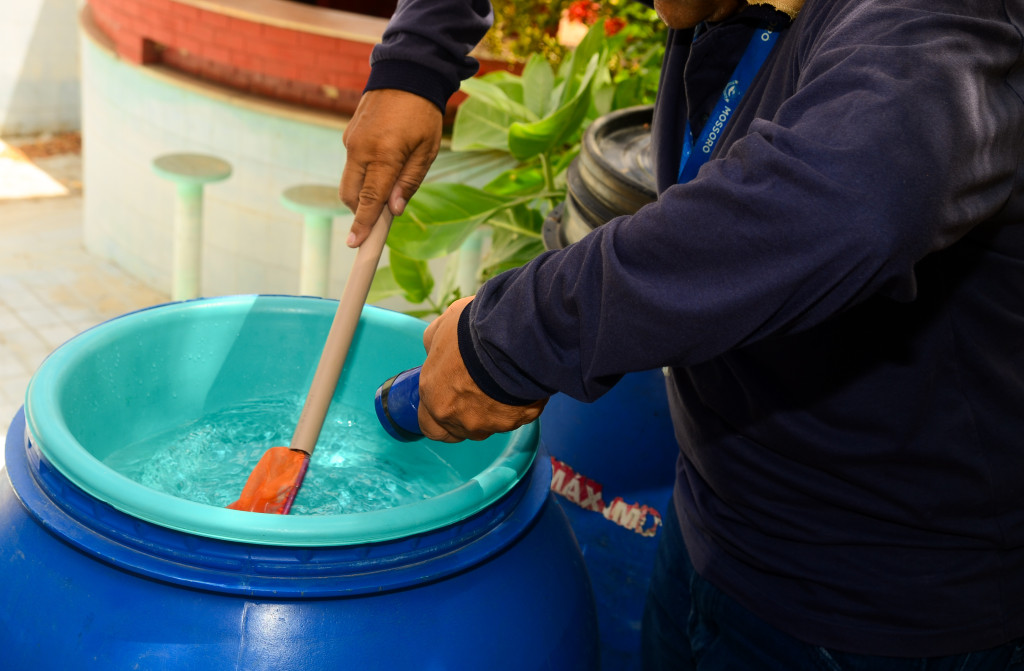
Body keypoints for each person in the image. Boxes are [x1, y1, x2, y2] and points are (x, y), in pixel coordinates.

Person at [339, 0, 1024, 667]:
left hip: (880, 612)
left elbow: (854, 200)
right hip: (712, 526)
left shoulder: (938, 22)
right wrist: (418, 60)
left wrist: (524, 333)